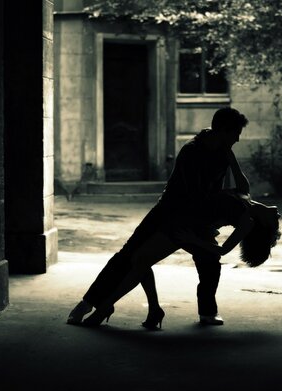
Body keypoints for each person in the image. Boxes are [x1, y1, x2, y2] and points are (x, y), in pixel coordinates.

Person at [67, 107, 250, 327]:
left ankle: (207, 312)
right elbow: (196, 196)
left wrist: (231, 158)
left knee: (210, 262)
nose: (238, 139)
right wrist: (213, 215)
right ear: (222, 131)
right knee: (129, 254)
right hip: (169, 211)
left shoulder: (223, 152)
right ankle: (88, 302)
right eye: (235, 133)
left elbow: (241, 190)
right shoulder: (191, 151)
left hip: (197, 216)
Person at [80, 189, 281, 328]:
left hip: (188, 230)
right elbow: (230, 169)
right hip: (182, 220)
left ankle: (108, 309)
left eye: (275, 223)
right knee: (140, 259)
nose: (278, 215)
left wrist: (193, 239)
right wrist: (228, 154)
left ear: (263, 224)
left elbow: (222, 251)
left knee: (140, 259)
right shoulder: (246, 194)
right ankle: (152, 310)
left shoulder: (248, 220)